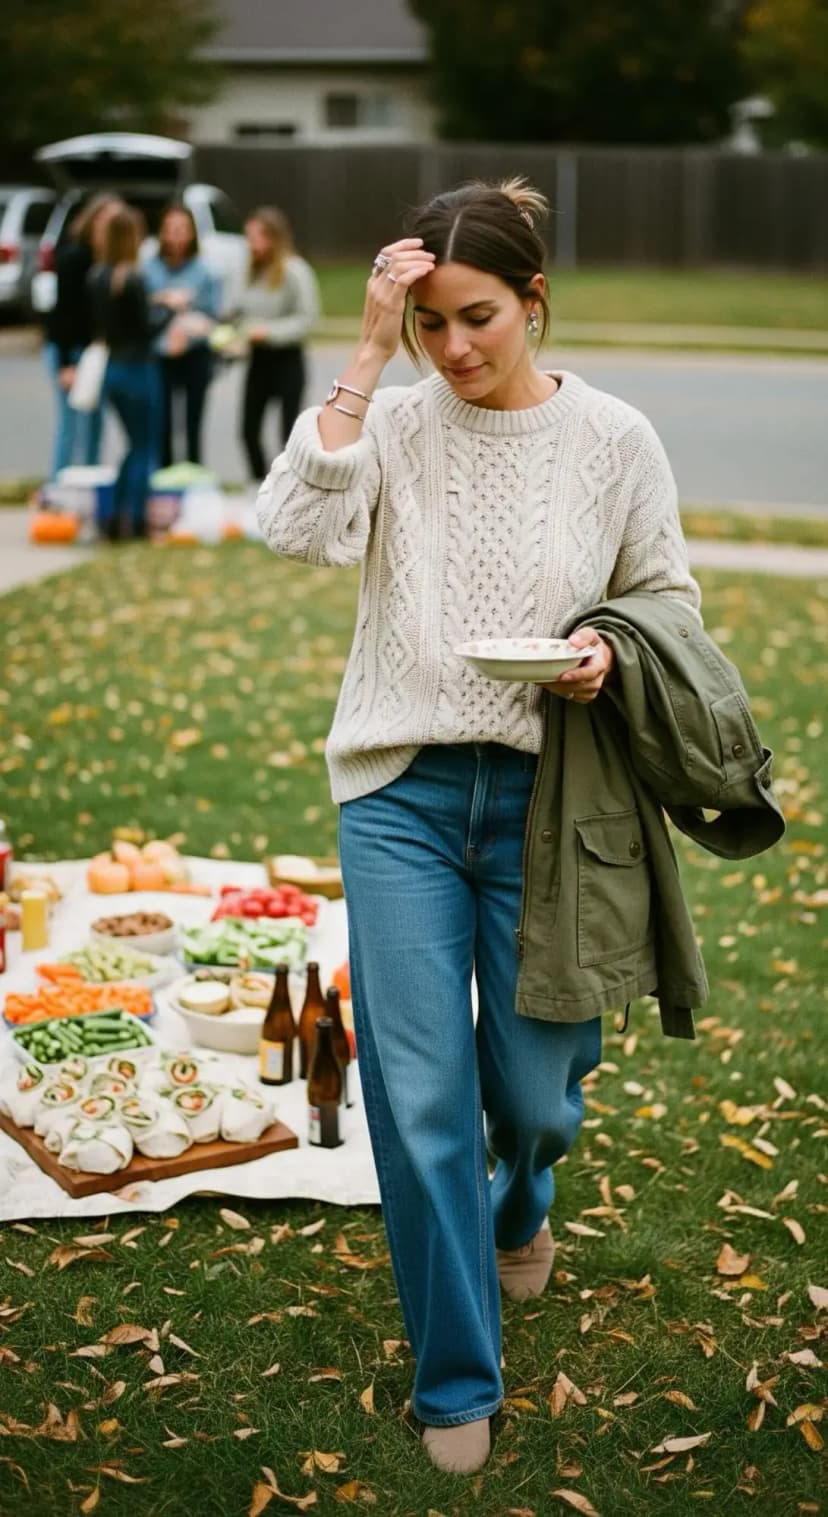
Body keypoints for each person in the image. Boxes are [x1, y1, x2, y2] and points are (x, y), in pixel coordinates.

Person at [255, 179, 703, 1474]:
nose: (454, 349)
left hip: (552, 803)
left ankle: (529, 1195)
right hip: (396, 793)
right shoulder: (390, 424)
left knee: (532, 1091)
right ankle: (458, 1375)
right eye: (431, 326)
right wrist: (357, 358)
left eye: (480, 318)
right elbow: (290, 531)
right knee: (421, 1093)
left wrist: (603, 658)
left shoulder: (616, 438)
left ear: (534, 304)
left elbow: (666, 600)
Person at [88, 206, 169, 539]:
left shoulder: (96, 277)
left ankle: (112, 516)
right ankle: (135, 520)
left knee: (132, 445)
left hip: (112, 368)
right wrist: (168, 309)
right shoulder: (133, 278)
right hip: (138, 369)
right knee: (145, 446)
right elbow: (147, 328)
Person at [43, 193, 123, 480]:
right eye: (105, 220)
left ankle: (88, 484)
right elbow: (63, 311)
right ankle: (59, 487)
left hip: (96, 352)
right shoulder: (74, 256)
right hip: (69, 348)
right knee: (71, 422)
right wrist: (66, 363)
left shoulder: (113, 263)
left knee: (95, 423)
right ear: (92, 220)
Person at [237, 206, 320, 481]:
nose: (250, 244)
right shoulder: (250, 271)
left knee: (288, 435)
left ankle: (289, 490)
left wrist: (268, 332)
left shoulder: (295, 271)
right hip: (258, 360)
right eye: (248, 237)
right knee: (248, 431)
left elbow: (307, 319)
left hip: (287, 360)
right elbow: (240, 313)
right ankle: (261, 485)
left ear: (273, 238)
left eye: (255, 237)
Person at [144, 204, 219, 466]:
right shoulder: (148, 268)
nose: (176, 236)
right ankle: (164, 484)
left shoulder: (205, 271)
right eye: (170, 230)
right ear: (162, 233)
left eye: (182, 229)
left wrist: (191, 330)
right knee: (160, 423)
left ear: (192, 234)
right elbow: (141, 312)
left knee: (192, 423)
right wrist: (162, 299)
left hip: (195, 354)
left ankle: (193, 478)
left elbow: (213, 316)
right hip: (160, 357)